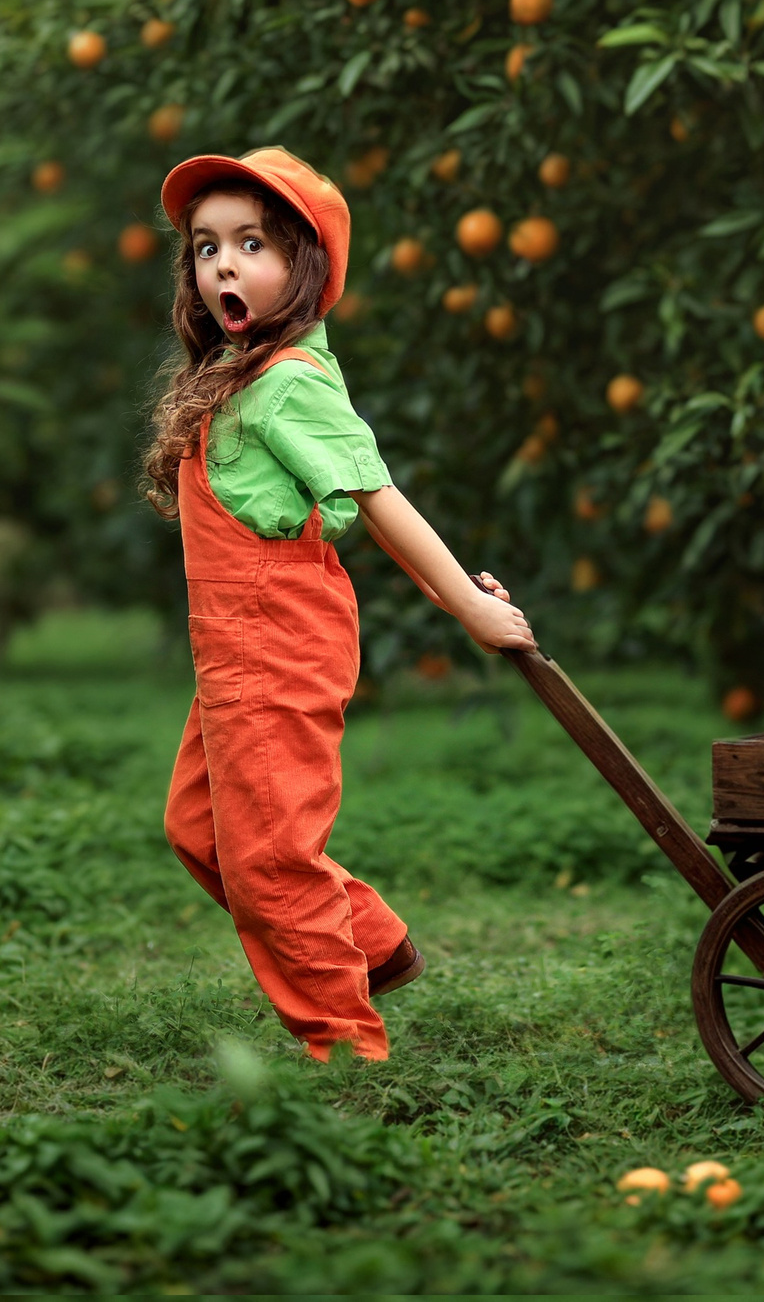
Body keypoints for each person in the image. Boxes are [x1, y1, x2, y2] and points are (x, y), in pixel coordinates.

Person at [141, 146, 536, 1063]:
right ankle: (374, 945)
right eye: (206, 249)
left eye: (252, 243)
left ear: (307, 269)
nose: (223, 265)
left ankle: (347, 1049)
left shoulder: (288, 386)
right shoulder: (243, 374)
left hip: (275, 647)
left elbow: (381, 500)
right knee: (197, 828)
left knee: (269, 857)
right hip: (232, 653)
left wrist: (466, 608)